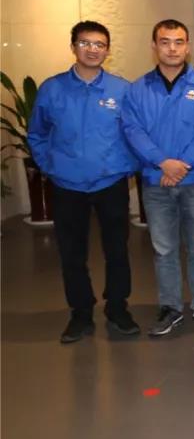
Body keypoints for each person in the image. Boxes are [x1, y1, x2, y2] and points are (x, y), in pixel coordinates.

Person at [28, 20, 140, 343]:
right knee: (72, 254)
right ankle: (80, 313)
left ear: (108, 50)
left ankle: (117, 308)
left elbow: (135, 134)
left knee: (117, 250)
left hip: (111, 184)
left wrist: (127, 167)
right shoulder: (52, 89)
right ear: (73, 47)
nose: (92, 50)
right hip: (67, 185)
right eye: (85, 43)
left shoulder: (122, 89)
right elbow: (37, 133)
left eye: (99, 44)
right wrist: (50, 166)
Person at [122, 19, 194, 336]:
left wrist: (183, 165)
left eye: (179, 42)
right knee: (163, 249)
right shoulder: (137, 89)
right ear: (154, 46)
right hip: (156, 182)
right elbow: (132, 131)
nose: (172, 48)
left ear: (188, 46)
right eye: (165, 42)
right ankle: (170, 307)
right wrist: (163, 163)